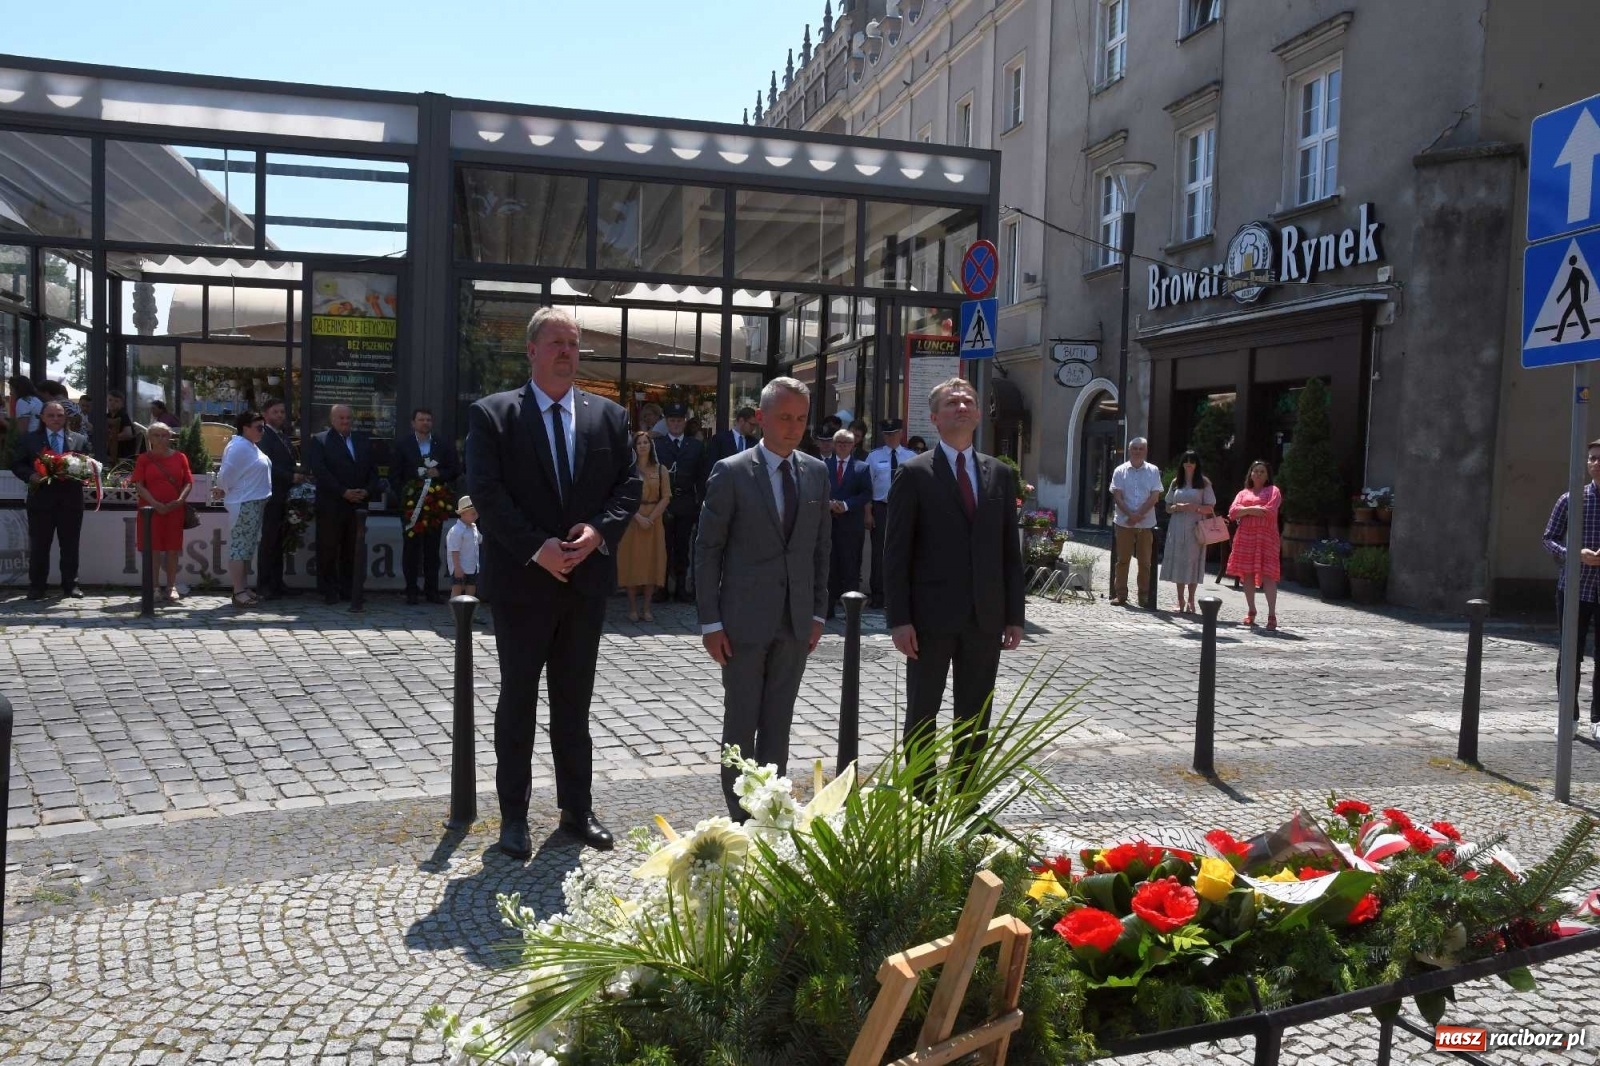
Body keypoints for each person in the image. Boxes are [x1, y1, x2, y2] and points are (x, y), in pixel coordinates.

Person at [465, 307, 641, 857]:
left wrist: (599, 532)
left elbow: (629, 486)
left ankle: (575, 810)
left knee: (574, 704)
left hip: (585, 584)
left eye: (574, 343)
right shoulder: (494, 416)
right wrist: (536, 548)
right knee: (517, 701)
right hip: (523, 585)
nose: (568, 352)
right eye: (557, 343)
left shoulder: (607, 417)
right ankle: (513, 818)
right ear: (532, 351)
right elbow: (488, 496)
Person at [694, 376, 830, 820]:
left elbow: (820, 548)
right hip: (742, 623)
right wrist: (710, 622)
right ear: (761, 418)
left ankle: (770, 812)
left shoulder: (816, 471)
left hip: (794, 622)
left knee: (779, 723)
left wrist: (817, 612)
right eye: (785, 417)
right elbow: (707, 549)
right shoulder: (732, 471)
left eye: (801, 418)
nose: (793, 427)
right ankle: (739, 819)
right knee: (741, 724)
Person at [885, 377, 1025, 792]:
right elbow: (896, 554)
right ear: (934, 418)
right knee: (922, 710)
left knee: (976, 713)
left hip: (985, 616)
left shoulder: (999, 473)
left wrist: (1014, 615)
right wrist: (899, 619)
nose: (961, 406)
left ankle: (965, 795)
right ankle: (922, 794)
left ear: (979, 414)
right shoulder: (913, 473)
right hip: (929, 618)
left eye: (969, 401)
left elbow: (1008, 552)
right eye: (952, 402)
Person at [1541, 439, 1600, 741]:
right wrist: (1575, 553)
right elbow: (1549, 538)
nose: (1595, 463)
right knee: (1570, 654)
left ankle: (1598, 718)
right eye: (1591, 458)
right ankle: (1569, 716)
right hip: (1574, 587)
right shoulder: (1571, 499)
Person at [10, 400, 90, 600]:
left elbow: (88, 464)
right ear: (42, 417)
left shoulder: (79, 440)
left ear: (66, 418)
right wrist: (31, 475)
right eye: (51, 415)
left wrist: (82, 473)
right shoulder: (29, 440)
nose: (56, 419)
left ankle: (71, 585)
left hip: (70, 500)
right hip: (41, 501)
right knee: (39, 545)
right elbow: (17, 464)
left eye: (60, 415)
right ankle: (37, 586)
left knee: (70, 544)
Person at [305, 404, 379, 604]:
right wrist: (343, 492)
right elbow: (320, 471)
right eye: (341, 418)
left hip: (357, 506)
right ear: (332, 420)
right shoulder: (320, 441)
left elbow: (373, 471)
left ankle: (350, 590)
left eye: (348, 418)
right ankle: (328, 590)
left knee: (353, 549)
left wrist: (367, 490)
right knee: (328, 548)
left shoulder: (362, 440)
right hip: (332, 504)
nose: (345, 422)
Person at [393, 407, 462, 605]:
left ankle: (431, 591)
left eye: (428, 420)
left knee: (432, 550)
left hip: (434, 505)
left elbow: (456, 469)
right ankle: (411, 591)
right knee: (411, 549)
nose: (425, 423)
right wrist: (405, 496)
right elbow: (394, 475)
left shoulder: (442, 444)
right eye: (421, 420)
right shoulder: (403, 445)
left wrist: (439, 474)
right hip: (411, 506)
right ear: (413, 423)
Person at [215, 410, 273, 608]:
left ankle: (243, 587)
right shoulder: (239, 447)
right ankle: (238, 590)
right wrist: (222, 489)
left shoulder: (249, 446)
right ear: (245, 428)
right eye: (258, 427)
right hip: (245, 502)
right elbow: (225, 475)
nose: (262, 431)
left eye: (263, 427)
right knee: (239, 548)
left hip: (253, 502)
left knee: (247, 548)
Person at [130, 422, 193, 601]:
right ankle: (154, 586)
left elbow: (188, 481)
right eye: (156, 435)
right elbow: (139, 485)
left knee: (173, 549)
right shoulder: (143, 458)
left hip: (174, 509)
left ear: (170, 437)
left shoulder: (180, 457)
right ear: (149, 438)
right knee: (153, 549)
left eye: (164, 435)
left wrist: (180, 500)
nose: (161, 439)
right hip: (150, 510)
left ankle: (171, 585)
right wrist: (155, 504)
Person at [654, 401, 707, 603]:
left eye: (679, 421)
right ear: (666, 422)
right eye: (672, 420)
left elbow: (702, 477)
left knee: (682, 546)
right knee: (663, 546)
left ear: (684, 422)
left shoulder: (695, 446)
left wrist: (701, 502)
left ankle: (681, 587)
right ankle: (663, 587)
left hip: (686, 502)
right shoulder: (657, 445)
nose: (675, 424)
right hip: (663, 503)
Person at [617, 430, 670, 623]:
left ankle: (647, 608)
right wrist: (638, 517)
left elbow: (666, 497)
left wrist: (652, 518)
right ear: (634, 447)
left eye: (646, 442)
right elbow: (622, 497)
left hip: (654, 522)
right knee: (631, 562)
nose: (642, 446)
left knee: (651, 563)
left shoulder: (660, 469)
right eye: (639, 443)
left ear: (651, 445)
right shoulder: (628, 471)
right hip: (632, 521)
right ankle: (632, 608)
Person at [865, 418, 917, 609]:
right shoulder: (874, 456)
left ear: (901, 434)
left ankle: (900, 594)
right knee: (879, 553)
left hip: (904, 508)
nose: (890, 437)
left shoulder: (911, 456)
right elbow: (867, 486)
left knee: (904, 550)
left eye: (893, 433)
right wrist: (868, 512)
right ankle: (878, 595)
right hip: (881, 507)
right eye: (887, 434)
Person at [1226, 460, 1283, 630]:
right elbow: (1233, 512)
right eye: (1255, 471)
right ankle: (1251, 610)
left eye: (1262, 471)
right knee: (1248, 574)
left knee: (1269, 575)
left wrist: (1246, 510)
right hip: (1246, 537)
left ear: (1267, 476)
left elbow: (1270, 511)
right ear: (1250, 474)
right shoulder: (1243, 493)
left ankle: (1272, 614)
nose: (1258, 474)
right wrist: (1253, 510)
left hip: (1267, 538)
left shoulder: (1273, 491)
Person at [1110, 437, 1164, 607]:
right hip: (1124, 522)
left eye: (1141, 448)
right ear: (1129, 450)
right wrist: (1130, 515)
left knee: (1145, 562)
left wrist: (1139, 514)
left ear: (1146, 451)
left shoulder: (1153, 470)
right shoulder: (1120, 470)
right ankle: (1121, 594)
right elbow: (1117, 496)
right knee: (1122, 560)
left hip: (1146, 523)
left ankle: (1144, 596)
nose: (1138, 451)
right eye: (1135, 448)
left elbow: (1155, 496)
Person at [1161, 450, 1217, 614]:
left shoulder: (1204, 483)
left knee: (1192, 561)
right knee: (1179, 560)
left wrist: (1194, 507)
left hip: (1196, 526)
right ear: (1182, 463)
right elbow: (1167, 507)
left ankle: (1192, 600)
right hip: (1177, 526)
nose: (1189, 463)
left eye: (1192, 461)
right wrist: (1177, 507)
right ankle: (1180, 600)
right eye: (1186, 460)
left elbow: (1210, 507)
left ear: (1197, 464)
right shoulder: (1175, 482)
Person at [824, 427, 871, 619]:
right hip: (828, 524)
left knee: (850, 567)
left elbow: (867, 493)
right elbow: (817, 490)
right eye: (839, 443)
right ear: (834, 445)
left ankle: (852, 612)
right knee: (828, 567)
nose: (843, 446)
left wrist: (845, 505)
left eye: (847, 443)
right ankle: (827, 610)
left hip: (851, 525)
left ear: (853, 445)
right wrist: (828, 504)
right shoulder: (823, 466)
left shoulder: (862, 467)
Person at [257, 397, 299, 600]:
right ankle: (264, 584)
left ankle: (276, 582)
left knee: (278, 541)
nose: (280, 416)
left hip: (283, 495)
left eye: (282, 412)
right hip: (270, 496)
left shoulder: (282, 436)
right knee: (268, 541)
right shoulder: (264, 436)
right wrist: (291, 476)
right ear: (265, 415)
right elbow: (268, 466)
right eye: (276, 412)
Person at [447, 495, 482, 602]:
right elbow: (454, 550)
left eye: (477, 513)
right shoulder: (456, 530)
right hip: (460, 566)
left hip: (472, 566)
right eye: (473, 513)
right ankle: (455, 614)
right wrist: (457, 567)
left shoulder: (474, 528)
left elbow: (480, 540)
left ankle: (470, 613)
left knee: (471, 589)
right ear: (463, 513)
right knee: (457, 589)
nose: (476, 516)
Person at [103, 390, 136, 463]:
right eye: (110, 400)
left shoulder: (123, 415)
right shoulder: (106, 416)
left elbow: (128, 434)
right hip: (109, 451)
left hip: (122, 452)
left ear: (122, 404)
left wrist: (111, 438)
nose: (112, 403)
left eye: (116, 401)